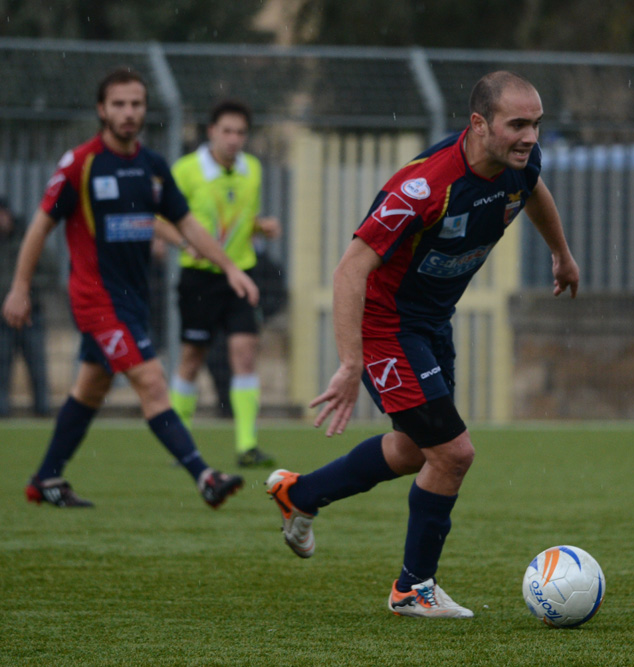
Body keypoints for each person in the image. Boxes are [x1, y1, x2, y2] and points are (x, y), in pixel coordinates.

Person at [265, 71, 579, 618]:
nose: (531, 136)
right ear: (479, 124)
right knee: (454, 454)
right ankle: (413, 587)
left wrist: (561, 253)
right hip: (386, 327)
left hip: (432, 323)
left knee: (415, 451)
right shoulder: (422, 187)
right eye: (518, 124)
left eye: (537, 123)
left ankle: (300, 494)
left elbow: (534, 193)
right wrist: (348, 362)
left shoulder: (518, 166)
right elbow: (349, 270)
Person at [1, 67, 258, 508]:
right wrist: (19, 287)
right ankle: (205, 476)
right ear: (102, 109)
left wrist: (228, 267)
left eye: (136, 104)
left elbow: (186, 223)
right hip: (97, 298)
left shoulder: (152, 167)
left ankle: (45, 479)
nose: (128, 112)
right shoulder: (81, 163)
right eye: (118, 104)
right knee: (152, 380)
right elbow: (41, 224)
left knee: (90, 390)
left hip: (132, 300)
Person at [156, 100, 281, 468]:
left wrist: (262, 226)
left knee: (244, 354)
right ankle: (178, 444)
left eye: (240, 132)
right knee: (192, 358)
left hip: (241, 273)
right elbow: (158, 218)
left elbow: (243, 218)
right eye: (226, 131)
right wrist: (183, 243)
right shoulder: (186, 170)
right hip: (199, 279)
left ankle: (247, 445)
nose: (233, 139)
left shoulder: (252, 170)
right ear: (211, 131)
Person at [0, 198, 54, 417]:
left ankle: (43, 413)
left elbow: (50, 273)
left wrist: (24, 293)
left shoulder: (27, 240)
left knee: (37, 368)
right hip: (1, 320)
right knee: (2, 369)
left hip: (31, 316)